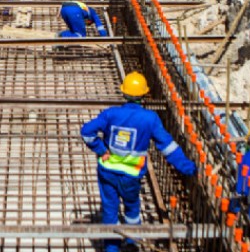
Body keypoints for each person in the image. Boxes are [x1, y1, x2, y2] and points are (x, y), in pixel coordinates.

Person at [81, 73, 196, 252]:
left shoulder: (111, 114)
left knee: (110, 210)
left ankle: (112, 248)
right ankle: (133, 241)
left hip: (107, 173)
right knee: (132, 208)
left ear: (124, 93)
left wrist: (101, 150)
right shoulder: (150, 119)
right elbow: (168, 147)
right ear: (144, 95)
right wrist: (188, 167)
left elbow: (87, 132)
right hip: (131, 176)